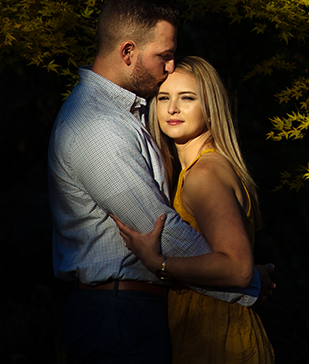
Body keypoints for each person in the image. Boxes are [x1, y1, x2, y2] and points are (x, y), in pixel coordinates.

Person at [48, 0, 260, 363]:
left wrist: (236, 271)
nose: (170, 66)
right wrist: (246, 280)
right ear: (128, 52)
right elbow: (161, 230)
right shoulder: (96, 125)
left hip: (134, 308)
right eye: (164, 55)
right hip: (117, 312)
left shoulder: (123, 116)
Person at [112, 56, 275, 363]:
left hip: (218, 338)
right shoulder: (195, 170)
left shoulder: (205, 175)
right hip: (204, 331)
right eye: (163, 98)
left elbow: (237, 270)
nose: (172, 108)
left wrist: (157, 263)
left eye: (187, 98)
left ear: (210, 106)